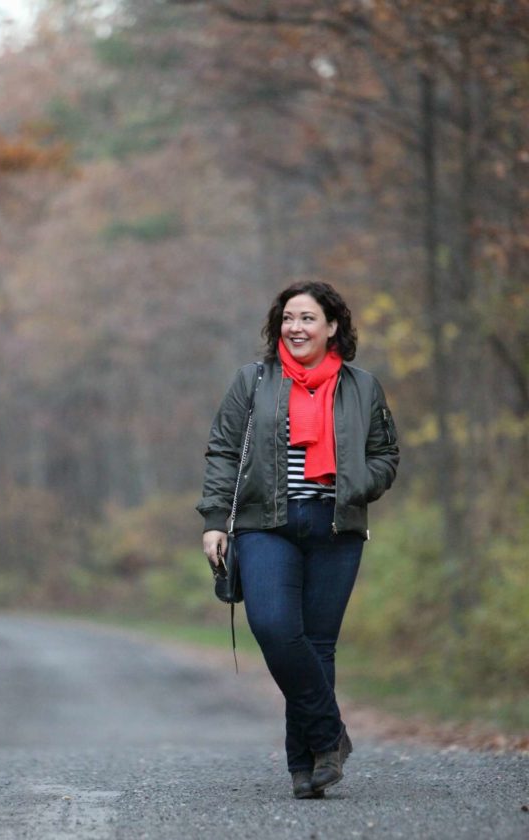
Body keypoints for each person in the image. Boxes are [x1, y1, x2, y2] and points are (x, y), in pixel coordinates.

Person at [197, 280, 399, 799]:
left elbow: (386, 455)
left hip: (336, 526)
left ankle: (308, 769)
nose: (296, 327)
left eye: (308, 318)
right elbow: (222, 451)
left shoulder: (362, 386)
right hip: (266, 525)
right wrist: (216, 520)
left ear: (332, 326)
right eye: (289, 317)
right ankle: (331, 733)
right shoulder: (252, 382)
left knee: (318, 645)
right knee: (275, 627)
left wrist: (358, 484)